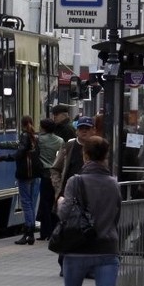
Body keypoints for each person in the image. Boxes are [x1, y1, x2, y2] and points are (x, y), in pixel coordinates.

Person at [51, 136, 122, 286]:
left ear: (86, 155)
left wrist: (61, 202)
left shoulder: (75, 181)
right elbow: (116, 217)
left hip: (77, 251)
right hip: (107, 249)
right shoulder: (114, 183)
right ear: (105, 156)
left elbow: (66, 214)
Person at [51, 116, 97, 273]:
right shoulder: (69, 146)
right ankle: (64, 264)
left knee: (87, 231)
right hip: (69, 196)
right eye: (81, 128)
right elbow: (55, 169)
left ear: (93, 130)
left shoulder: (97, 146)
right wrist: (59, 189)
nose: (83, 131)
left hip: (90, 197)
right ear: (77, 130)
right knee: (68, 230)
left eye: (87, 128)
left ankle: (84, 267)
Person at [0, 115, 44, 245]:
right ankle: (31, 233)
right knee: (31, 203)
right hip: (35, 174)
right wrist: (1, 145)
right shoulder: (35, 137)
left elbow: (19, 153)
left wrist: (1, 158)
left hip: (25, 174)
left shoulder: (24, 135)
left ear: (21, 124)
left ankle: (28, 232)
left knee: (26, 203)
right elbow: (20, 147)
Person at [35, 118, 63, 241]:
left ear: (44, 128)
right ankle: (55, 229)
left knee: (45, 203)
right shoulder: (60, 140)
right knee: (54, 201)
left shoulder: (40, 140)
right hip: (56, 174)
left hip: (45, 174)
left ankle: (45, 232)